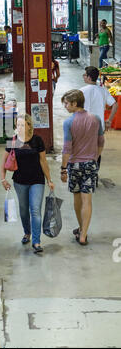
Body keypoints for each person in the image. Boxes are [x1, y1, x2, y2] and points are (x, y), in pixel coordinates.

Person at [1, 113, 54, 254]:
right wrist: (3, 179)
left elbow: (43, 161)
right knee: (24, 211)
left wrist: (49, 179)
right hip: (20, 181)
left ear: (29, 126)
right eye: (17, 125)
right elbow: (3, 163)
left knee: (35, 210)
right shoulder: (13, 141)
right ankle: (27, 233)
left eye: (22, 125)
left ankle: (36, 241)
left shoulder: (37, 140)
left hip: (37, 180)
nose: (19, 127)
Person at [61, 89, 104, 246]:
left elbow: (67, 149)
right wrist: (95, 157)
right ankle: (83, 234)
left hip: (74, 165)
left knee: (77, 198)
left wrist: (63, 168)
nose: (65, 106)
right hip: (90, 164)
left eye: (66, 103)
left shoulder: (69, 122)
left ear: (74, 103)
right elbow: (101, 142)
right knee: (88, 200)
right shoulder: (96, 119)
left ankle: (80, 227)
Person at [80, 66, 118, 184]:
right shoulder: (102, 90)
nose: (83, 77)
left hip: (84, 126)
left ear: (89, 77)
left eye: (85, 75)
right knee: (97, 151)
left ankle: (87, 176)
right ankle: (94, 174)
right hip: (98, 127)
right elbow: (115, 104)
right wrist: (109, 120)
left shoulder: (81, 91)